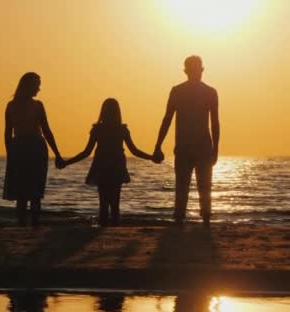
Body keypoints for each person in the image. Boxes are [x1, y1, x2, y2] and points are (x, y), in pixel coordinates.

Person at [59, 98, 153, 227]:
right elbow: (135, 151)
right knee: (115, 203)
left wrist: (67, 162)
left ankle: (103, 227)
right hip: (116, 166)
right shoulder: (122, 130)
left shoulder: (98, 129)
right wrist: (151, 157)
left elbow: (86, 152)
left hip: (102, 165)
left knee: (103, 202)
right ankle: (114, 228)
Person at [153, 55, 219, 227]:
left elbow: (215, 122)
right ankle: (193, 218)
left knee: (189, 185)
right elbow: (167, 119)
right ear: (188, 71)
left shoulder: (186, 91)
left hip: (194, 146)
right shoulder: (192, 91)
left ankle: (190, 218)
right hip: (193, 146)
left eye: (197, 70)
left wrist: (158, 146)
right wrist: (158, 145)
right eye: (195, 70)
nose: (197, 73)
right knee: (197, 185)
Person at [3, 72, 63, 227]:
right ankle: (28, 223)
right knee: (29, 191)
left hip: (28, 148)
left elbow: (9, 133)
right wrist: (10, 153)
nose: (39, 88)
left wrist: (57, 153)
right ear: (28, 86)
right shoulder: (27, 105)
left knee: (27, 190)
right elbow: (8, 132)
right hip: (29, 148)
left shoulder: (15, 105)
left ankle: (26, 223)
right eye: (37, 84)